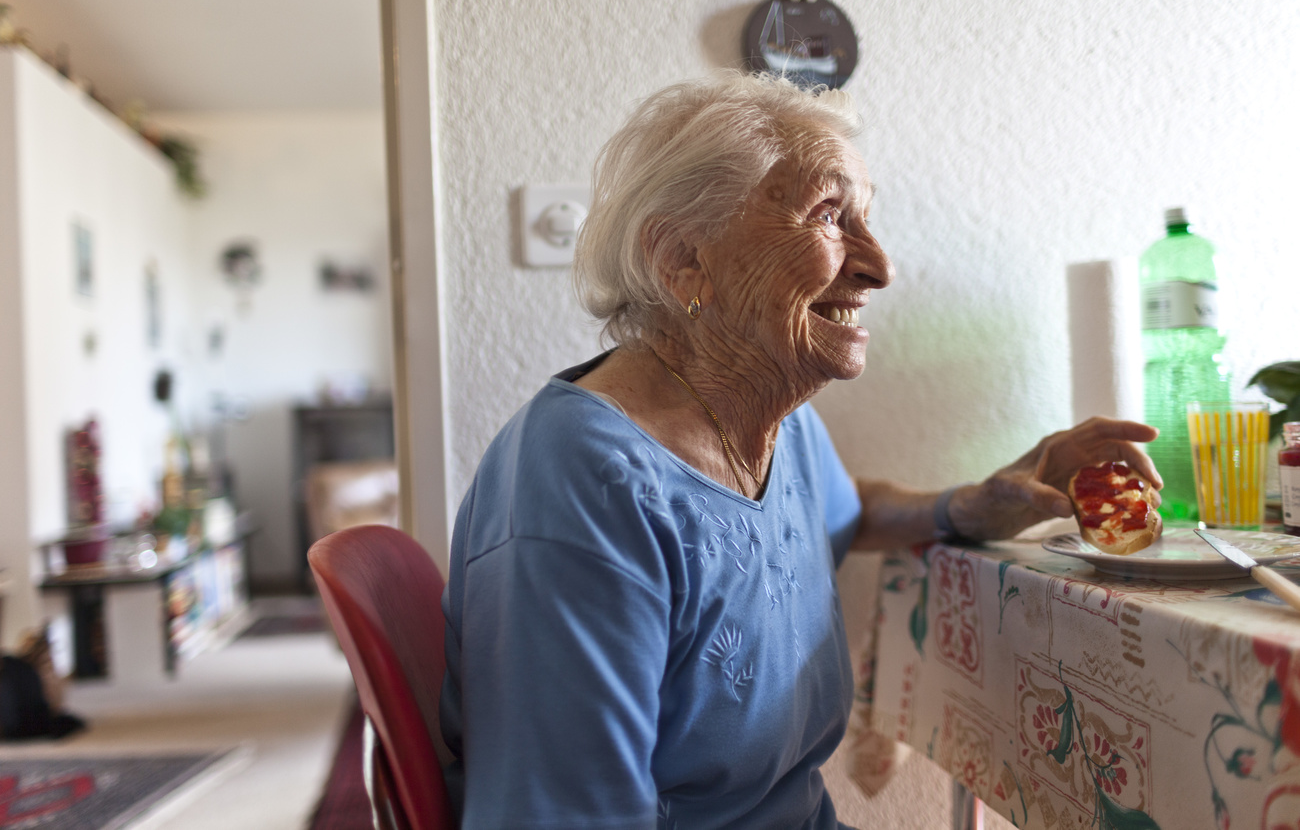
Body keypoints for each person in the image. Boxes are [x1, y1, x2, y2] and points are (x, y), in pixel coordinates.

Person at [439, 71, 1161, 829]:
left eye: (866, 218)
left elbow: (848, 511)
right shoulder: (582, 481)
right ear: (684, 259)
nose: (879, 266)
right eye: (828, 215)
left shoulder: (772, 420)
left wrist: (975, 502)